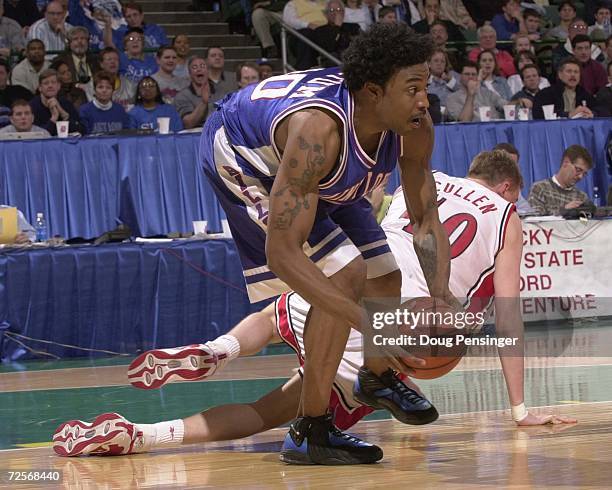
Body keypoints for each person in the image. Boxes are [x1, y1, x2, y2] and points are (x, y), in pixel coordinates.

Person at [52, 151, 576, 458]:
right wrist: (520, 409)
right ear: (508, 187)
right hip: (394, 317)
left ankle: (219, 348)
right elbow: (506, 313)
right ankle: (143, 436)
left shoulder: (428, 178)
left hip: (355, 271)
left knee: (277, 314)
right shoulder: (510, 218)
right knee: (271, 413)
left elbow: (365, 207)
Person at [191, 23, 460, 466]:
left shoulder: (414, 125)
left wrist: (441, 293)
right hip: (244, 152)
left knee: (383, 276)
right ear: (374, 92)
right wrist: (370, 325)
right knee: (346, 272)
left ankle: (375, 377)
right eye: (412, 88)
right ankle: (310, 429)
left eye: (425, 86)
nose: (423, 99)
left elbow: (425, 216)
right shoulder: (319, 131)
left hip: (319, 172)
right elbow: (283, 254)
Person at [527, 144, 594, 215]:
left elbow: (585, 224)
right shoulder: (540, 189)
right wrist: (564, 211)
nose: (580, 176)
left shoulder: (582, 197)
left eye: (584, 174)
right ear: (565, 163)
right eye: (578, 170)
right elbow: (534, 220)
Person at [532, 57, 598, 119]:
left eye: (576, 72)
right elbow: (539, 114)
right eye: (569, 71)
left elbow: (601, 110)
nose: (573, 75)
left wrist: (592, 114)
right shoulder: (546, 94)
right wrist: (568, 114)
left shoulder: (584, 93)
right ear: (560, 74)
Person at [29, 68, 82, 135]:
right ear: (40, 88)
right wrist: (53, 119)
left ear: (59, 86)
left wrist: (64, 114)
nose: (50, 86)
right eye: (46, 83)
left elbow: (80, 131)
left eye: (53, 82)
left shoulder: (66, 104)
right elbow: (37, 135)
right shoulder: (31, 107)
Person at [492, 142, 533, 215]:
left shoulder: (513, 186)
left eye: (514, 164)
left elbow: (526, 210)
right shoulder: (482, 185)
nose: (512, 168)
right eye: (509, 163)